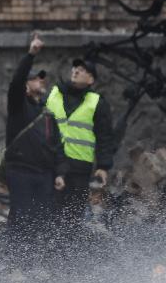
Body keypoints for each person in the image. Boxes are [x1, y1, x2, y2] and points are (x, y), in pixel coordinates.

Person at [3, 33, 68, 250]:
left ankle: (34, 265)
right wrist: (31, 54)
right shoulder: (17, 106)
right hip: (20, 170)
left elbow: (57, 145)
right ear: (26, 86)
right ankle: (16, 266)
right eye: (35, 78)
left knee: (41, 221)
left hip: (44, 174)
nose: (41, 80)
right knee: (21, 219)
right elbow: (16, 80)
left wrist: (59, 172)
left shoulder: (47, 114)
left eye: (42, 78)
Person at [42, 56, 116, 228]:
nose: (75, 71)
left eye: (82, 70)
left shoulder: (97, 102)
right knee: (48, 211)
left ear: (91, 79)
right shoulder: (53, 94)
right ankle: (47, 252)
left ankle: (70, 252)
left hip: (79, 167)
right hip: (51, 162)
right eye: (74, 68)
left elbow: (105, 136)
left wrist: (103, 166)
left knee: (73, 215)